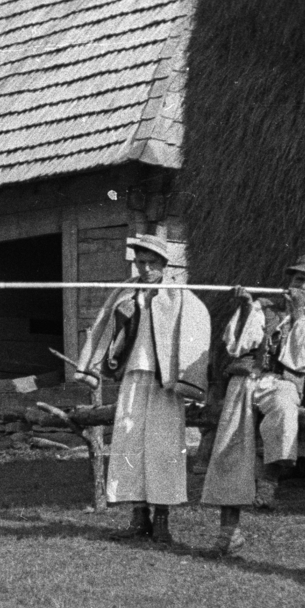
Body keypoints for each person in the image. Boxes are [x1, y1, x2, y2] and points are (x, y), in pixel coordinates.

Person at [75, 233, 211, 544]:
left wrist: (188, 376)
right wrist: (92, 366)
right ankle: (139, 517)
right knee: (128, 442)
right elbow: (104, 324)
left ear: (164, 264)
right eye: (141, 262)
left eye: (152, 263)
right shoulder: (127, 292)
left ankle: (162, 519)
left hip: (165, 382)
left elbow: (198, 324)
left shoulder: (178, 295)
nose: (146, 268)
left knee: (162, 447)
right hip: (133, 377)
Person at [200, 253, 305, 556]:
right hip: (246, 378)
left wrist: (299, 314)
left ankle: (269, 478)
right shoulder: (264, 306)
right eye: (298, 279)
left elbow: (302, 359)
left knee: (285, 411)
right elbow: (237, 345)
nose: (302, 286)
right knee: (230, 449)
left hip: (281, 382)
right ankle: (228, 533)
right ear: (289, 281)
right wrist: (246, 306)